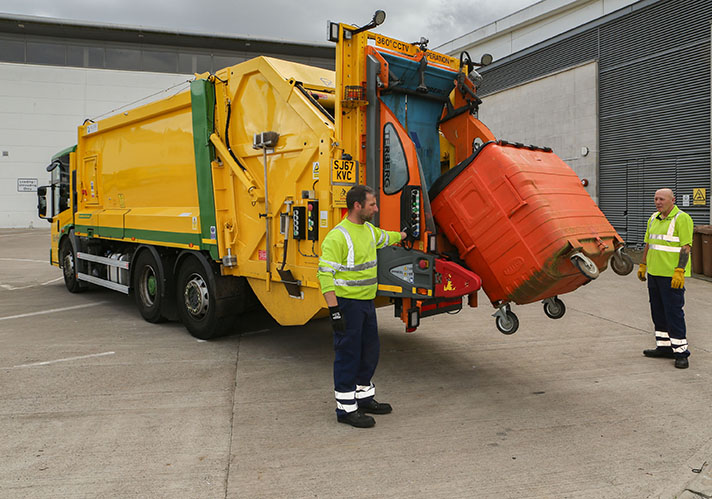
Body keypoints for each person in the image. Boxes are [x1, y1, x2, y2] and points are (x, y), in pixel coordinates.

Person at [317, 185, 407, 428]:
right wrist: (334, 311)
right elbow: (325, 276)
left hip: (366, 303)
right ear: (357, 206)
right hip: (347, 305)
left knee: (369, 351)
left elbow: (386, 237)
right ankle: (346, 409)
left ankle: (364, 398)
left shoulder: (368, 231)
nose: (376, 208)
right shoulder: (338, 237)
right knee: (348, 354)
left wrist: (404, 235)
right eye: (372, 205)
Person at [637, 188, 693, 369]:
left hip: (671, 276)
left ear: (672, 200)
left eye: (662, 199)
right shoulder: (653, 218)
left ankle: (681, 352)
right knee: (658, 312)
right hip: (654, 273)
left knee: (673, 313)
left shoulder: (682, 218)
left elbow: (686, 247)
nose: (658, 202)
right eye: (655, 199)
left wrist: (679, 271)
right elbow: (649, 243)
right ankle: (664, 347)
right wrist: (643, 264)